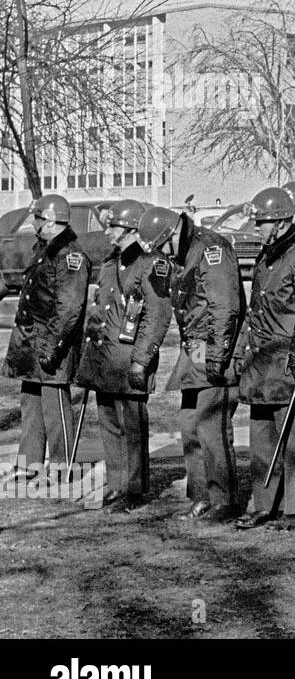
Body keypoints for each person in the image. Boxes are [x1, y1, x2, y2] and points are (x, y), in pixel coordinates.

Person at [136, 205, 245, 523]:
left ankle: (223, 499)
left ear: (171, 235)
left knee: (212, 427)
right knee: (189, 426)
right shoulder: (182, 251)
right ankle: (201, 495)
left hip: (213, 349)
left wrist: (217, 356)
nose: (162, 255)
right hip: (193, 350)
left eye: (161, 248)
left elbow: (225, 306)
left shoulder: (211, 248)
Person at [75, 200, 170, 512]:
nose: (108, 231)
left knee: (132, 428)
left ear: (130, 229)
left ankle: (133, 488)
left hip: (129, 358)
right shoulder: (110, 263)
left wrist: (142, 360)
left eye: (113, 226)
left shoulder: (152, 264)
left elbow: (156, 317)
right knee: (110, 425)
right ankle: (116, 485)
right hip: (105, 359)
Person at [233, 188, 295, 531]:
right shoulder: (267, 257)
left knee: (292, 440)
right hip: (261, 361)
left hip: (284, 361)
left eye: (265, 222)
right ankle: (264, 503)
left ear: (282, 222)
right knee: (262, 439)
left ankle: (294, 510)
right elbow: (256, 310)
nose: (259, 228)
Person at [3, 195, 90, 482]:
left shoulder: (69, 255)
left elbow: (69, 308)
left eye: (37, 218)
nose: (34, 223)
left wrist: (51, 346)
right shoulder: (45, 250)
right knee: (30, 403)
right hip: (32, 340)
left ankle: (62, 467)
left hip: (51, 342)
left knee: (55, 407)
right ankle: (29, 464)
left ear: (51, 221)